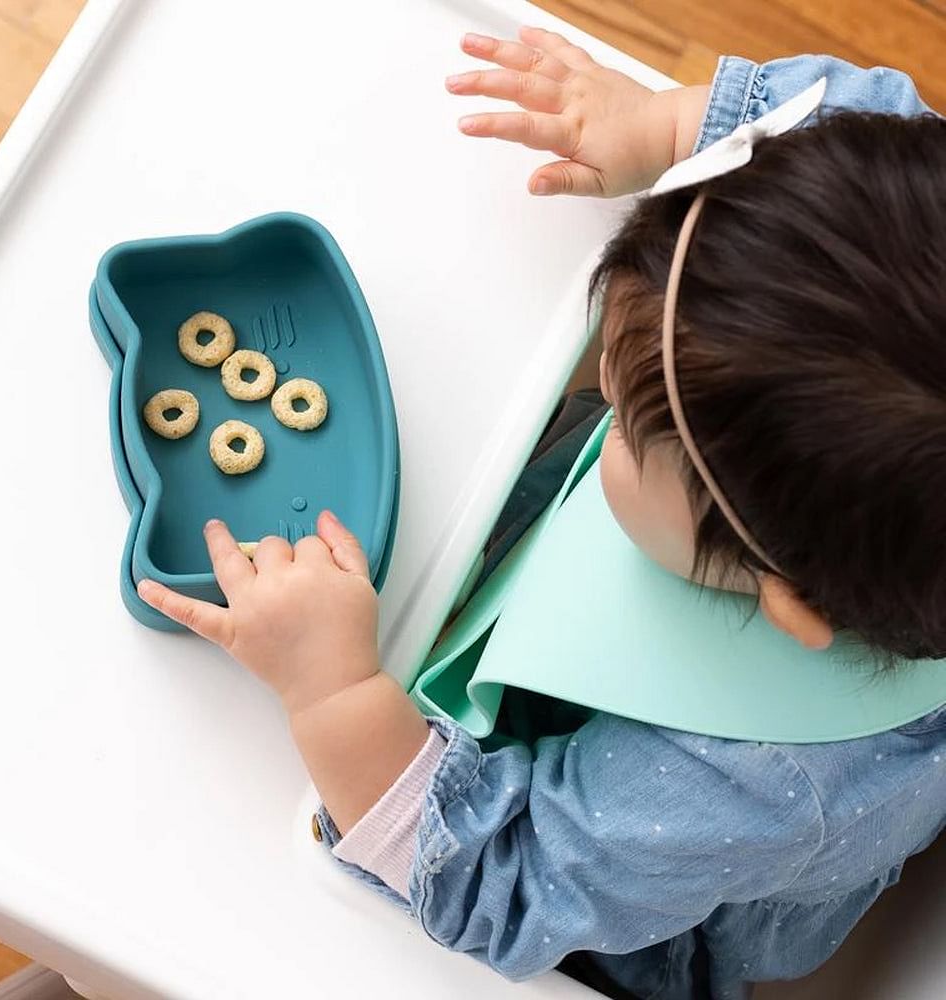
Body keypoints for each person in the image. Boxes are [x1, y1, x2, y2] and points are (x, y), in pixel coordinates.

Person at [139, 28, 946, 1000]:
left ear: (786, 604)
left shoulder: (749, 781)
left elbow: (500, 883)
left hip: (631, 899)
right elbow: (845, 109)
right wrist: (661, 124)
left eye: (623, 425)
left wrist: (333, 690)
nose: (602, 377)